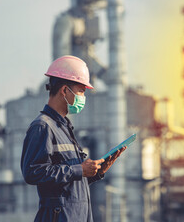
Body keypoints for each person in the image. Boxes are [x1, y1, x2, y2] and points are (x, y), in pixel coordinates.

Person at [21, 55, 126, 222]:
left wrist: (95, 172)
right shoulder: (42, 127)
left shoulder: (64, 128)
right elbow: (33, 173)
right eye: (81, 91)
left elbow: (68, 183)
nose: (83, 98)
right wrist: (79, 170)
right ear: (64, 90)